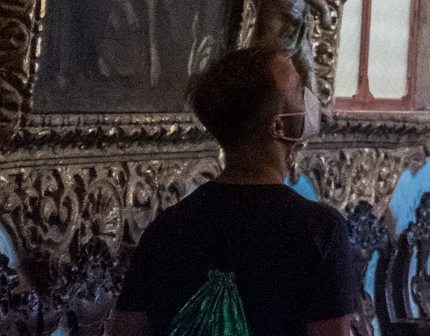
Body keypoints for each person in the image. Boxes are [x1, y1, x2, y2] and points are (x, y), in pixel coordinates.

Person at [111, 45, 354, 336]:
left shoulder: (166, 229)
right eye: (299, 89)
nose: (309, 98)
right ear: (277, 126)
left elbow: (126, 330)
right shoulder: (319, 230)